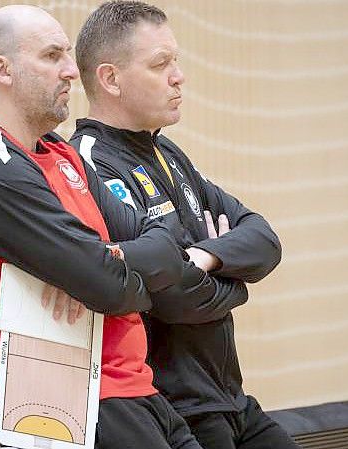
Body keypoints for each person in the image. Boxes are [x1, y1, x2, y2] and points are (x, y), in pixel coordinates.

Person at [0, 5, 230, 449]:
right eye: (53, 56)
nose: (71, 71)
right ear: (3, 70)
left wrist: (112, 265)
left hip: (134, 391)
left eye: (68, 55)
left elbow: (159, 242)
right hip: (66, 407)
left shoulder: (58, 152)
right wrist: (112, 273)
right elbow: (110, 287)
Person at [70, 2, 299, 448]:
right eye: (161, 64)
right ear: (110, 79)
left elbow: (264, 238)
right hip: (177, 412)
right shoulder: (91, 164)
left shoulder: (169, 154)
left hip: (232, 400)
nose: (179, 76)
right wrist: (235, 283)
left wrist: (206, 255)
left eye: (175, 60)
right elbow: (170, 295)